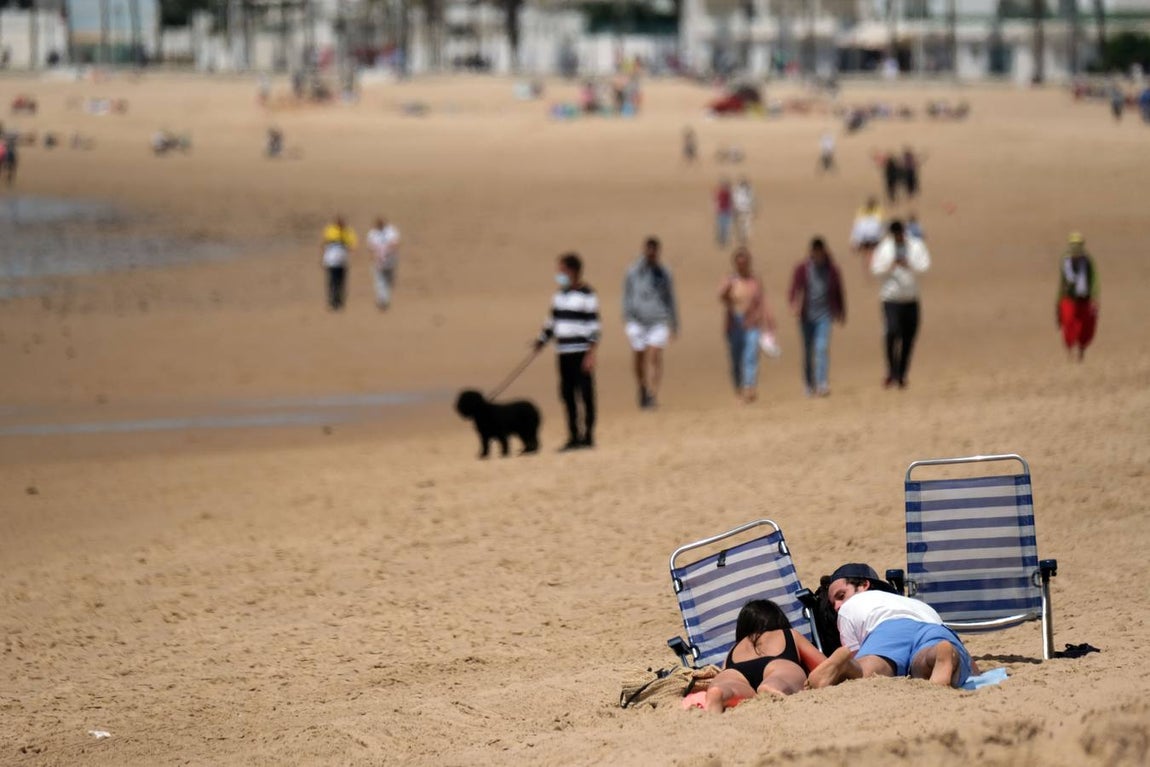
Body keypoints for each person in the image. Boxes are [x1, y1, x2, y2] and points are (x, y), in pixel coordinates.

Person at [807, 563, 975, 690]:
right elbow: (973, 669)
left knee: (867, 670)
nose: (837, 606)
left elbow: (856, 653)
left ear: (864, 585)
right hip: (933, 626)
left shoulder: (851, 607)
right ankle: (939, 652)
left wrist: (851, 662)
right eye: (834, 603)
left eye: (841, 596)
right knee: (924, 663)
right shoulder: (911, 602)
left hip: (886, 627)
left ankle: (844, 664)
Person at [703, 600, 827, 714]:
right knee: (779, 680)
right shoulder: (788, 634)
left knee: (727, 687)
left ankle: (719, 692)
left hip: (735, 670)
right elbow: (824, 665)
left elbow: (722, 672)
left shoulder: (735, 647)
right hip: (777, 663)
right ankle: (772, 686)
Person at [535, 253, 599, 451]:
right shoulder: (558, 295)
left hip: (581, 352)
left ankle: (587, 435)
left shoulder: (587, 294)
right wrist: (541, 340)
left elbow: (594, 327)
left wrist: (590, 354)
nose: (559, 274)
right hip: (563, 352)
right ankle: (573, 435)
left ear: (573, 271)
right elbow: (552, 322)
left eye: (562, 270)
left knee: (586, 394)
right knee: (567, 395)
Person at [871, 220, 930, 389]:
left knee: (908, 337)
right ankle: (892, 370)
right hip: (891, 298)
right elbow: (875, 269)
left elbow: (925, 266)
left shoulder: (915, 245)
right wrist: (891, 266)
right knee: (892, 331)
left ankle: (902, 374)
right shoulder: (884, 248)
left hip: (911, 298)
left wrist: (909, 264)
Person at [623, 237, 678, 409]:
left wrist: (674, 323)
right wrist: (627, 317)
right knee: (639, 357)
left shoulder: (664, 273)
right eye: (648, 251)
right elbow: (626, 295)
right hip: (637, 321)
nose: (651, 254)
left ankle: (653, 395)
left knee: (655, 356)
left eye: (654, 251)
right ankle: (642, 387)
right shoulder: (633, 271)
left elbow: (670, 298)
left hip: (658, 320)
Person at [789, 237, 845, 397]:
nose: (818, 254)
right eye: (815, 251)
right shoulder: (802, 269)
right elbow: (794, 288)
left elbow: (839, 291)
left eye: (821, 251)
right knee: (808, 351)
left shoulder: (832, 269)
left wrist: (841, 311)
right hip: (806, 316)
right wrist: (794, 303)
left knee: (821, 348)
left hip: (824, 315)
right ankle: (808, 384)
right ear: (812, 252)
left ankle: (822, 383)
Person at [720, 247, 776, 404]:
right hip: (734, 326)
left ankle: (750, 387)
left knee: (750, 356)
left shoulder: (754, 280)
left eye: (744, 262)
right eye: (739, 262)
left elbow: (762, 301)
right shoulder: (730, 280)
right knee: (736, 360)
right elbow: (722, 297)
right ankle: (739, 389)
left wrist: (769, 320)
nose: (742, 265)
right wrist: (727, 289)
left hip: (752, 324)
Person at [1056, 232, 1099, 361]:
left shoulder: (1087, 262)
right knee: (1068, 324)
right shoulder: (1066, 262)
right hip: (1069, 298)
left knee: (1086, 327)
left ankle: (1081, 350)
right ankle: (1070, 351)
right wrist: (1058, 301)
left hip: (1085, 298)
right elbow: (1062, 283)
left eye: (1078, 245)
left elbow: (1094, 281)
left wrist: (1095, 298)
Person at [320, 215, 358, 310]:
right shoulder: (330, 230)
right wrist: (322, 258)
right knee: (332, 282)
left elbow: (353, 245)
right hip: (331, 261)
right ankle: (332, 301)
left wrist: (347, 247)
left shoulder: (348, 232)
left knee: (341, 282)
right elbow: (323, 244)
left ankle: (339, 301)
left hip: (342, 262)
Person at [367, 217, 401, 310]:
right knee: (379, 281)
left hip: (390, 261)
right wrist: (375, 257)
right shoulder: (372, 233)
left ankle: (385, 298)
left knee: (389, 281)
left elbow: (396, 244)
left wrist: (387, 251)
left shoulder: (391, 231)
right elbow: (370, 247)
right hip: (378, 262)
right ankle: (383, 300)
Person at [849, 196, 885, 266]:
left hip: (873, 237)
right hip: (866, 237)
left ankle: (871, 266)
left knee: (872, 253)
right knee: (867, 254)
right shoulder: (862, 211)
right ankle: (869, 266)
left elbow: (880, 226)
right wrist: (854, 241)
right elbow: (857, 227)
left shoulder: (878, 211)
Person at [732, 177, 755, 244]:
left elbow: (752, 200)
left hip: (745, 209)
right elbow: (734, 200)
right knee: (741, 225)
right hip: (740, 209)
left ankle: (744, 237)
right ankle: (742, 237)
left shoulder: (749, 190)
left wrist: (753, 209)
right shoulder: (737, 190)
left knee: (746, 225)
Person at [715, 179, 733, 248]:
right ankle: (722, 241)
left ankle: (724, 241)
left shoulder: (729, 193)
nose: (724, 187)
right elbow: (716, 202)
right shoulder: (720, 193)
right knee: (721, 227)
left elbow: (731, 202)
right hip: (721, 212)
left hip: (726, 212)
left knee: (726, 227)